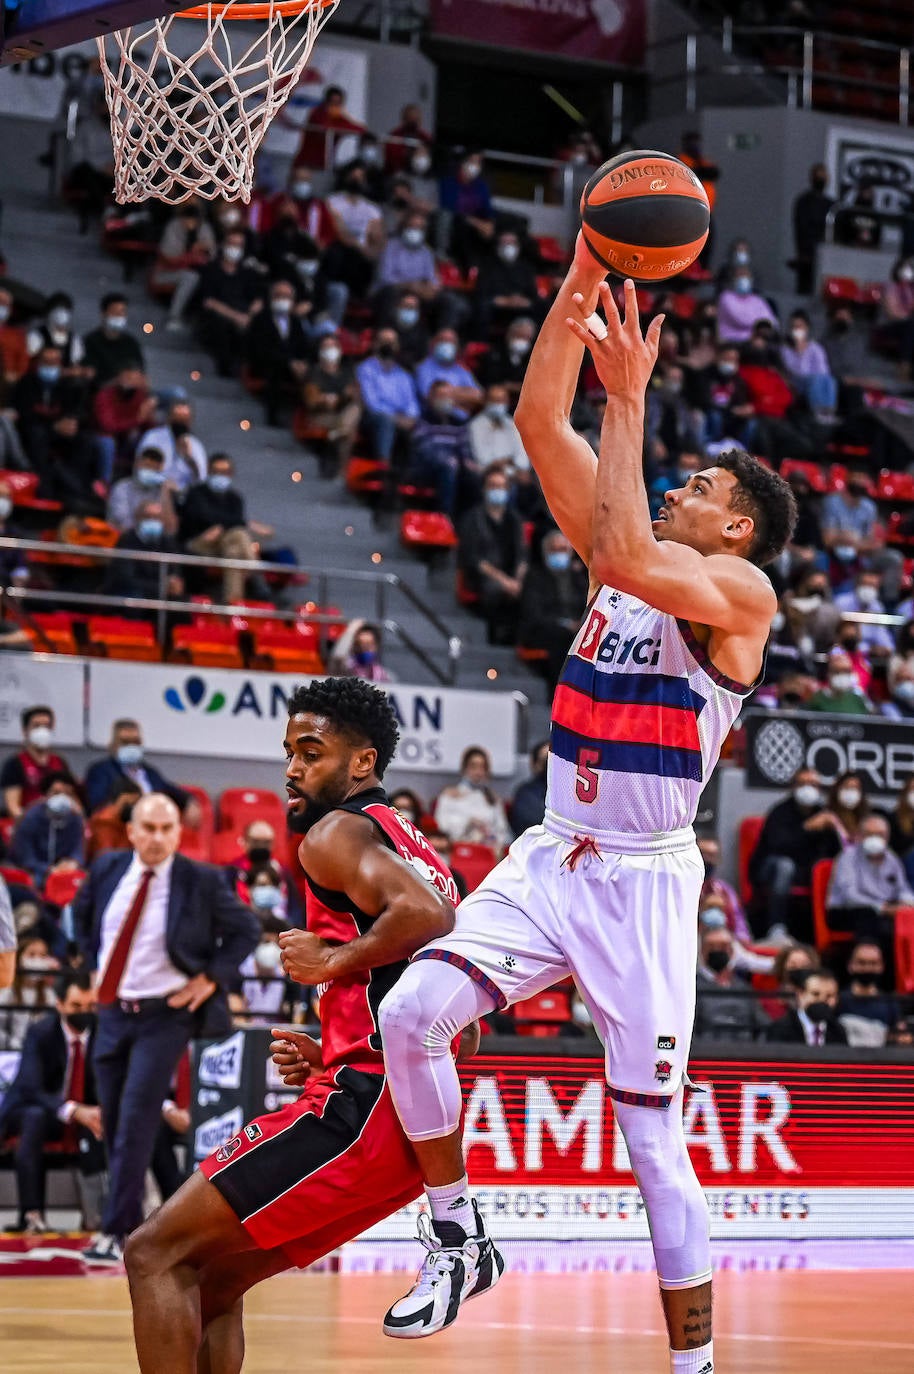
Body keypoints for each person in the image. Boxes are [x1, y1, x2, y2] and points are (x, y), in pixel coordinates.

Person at [375, 240, 797, 1365]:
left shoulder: (738, 595)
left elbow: (616, 535)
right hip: (550, 853)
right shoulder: (633, 557)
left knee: (651, 1143)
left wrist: (630, 401)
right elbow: (531, 417)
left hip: (643, 881)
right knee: (409, 1015)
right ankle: (457, 1236)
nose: (678, 486)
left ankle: (694, 1366)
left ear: (738, 527)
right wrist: (581, 272)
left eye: (701, 487)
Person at [120, 679, 485, 1372]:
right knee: (213, 1278)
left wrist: (330, 963)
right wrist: (336, 1043)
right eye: (288, 751)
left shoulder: (335, 832)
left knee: (152, 1252)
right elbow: (458, 1022)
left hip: (363, 1113)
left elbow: (425, 920)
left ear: (361, 763)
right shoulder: (415, 846)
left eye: (310, 753)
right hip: (406, 1119)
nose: (291, 768)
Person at [72, 793, 258, 1263]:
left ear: (179, 832)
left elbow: (246, 930)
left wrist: (208, 979)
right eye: (148, 828)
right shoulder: (108, 869)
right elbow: (81, 918)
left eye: (167, 828)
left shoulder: (201, 879)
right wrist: (89, 966)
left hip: (164, 1015)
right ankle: (130, 1218)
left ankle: (118, 1232)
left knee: (136, 1117)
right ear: (131, 830)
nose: (157, 837)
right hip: (113, 1012)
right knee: (114, 1121)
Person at [0, 967, 105, 1233]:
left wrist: (97, 1110)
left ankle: (104, 1218)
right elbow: (29, 1087)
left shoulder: (104, 1033)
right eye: (76, 1005)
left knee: (108, 1120)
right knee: (34, 1117)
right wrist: (72, 1109)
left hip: (83, 1113)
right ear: (59, 1004)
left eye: (91, 1004)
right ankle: (31, 1216)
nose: (84, 1011)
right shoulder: (41, 1032)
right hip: (30, 1110)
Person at [749, 765, 844, 941]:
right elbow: (777, 846)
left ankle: (825, 930)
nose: (809, 789)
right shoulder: (780, 812)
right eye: (804, 783)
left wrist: (832, 829)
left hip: (806, 873)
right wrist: (807, 828)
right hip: (769, 870)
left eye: (814, 784)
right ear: (794, 787)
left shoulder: (823, 813)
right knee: (785, 866)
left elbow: (836, 852)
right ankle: (776, 928)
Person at [179, 453, 274, 605]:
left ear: (231, 474)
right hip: (199, 543)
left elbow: (234, 521)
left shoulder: (235, 498)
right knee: (238, 534)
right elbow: (204, 517)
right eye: (216, 471)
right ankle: (255, 571)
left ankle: (232, 604)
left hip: (225, 546)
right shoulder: (196, 493)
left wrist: (222, 526)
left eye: (224, 472)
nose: (220, 475)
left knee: (234, 552)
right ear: (209, 472)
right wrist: (239, 523)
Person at [826, 812, 914, 951]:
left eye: (880, 834)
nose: (875, 839)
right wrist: (883, 908)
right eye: (869, 834)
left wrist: (907, 904)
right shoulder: (848, 857)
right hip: (847, 911)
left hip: (884, 911)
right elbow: (849, 896)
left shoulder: (892, 859)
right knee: (872, 920)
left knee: (902, 921)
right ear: (860, 835)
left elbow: (903, 889)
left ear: (887, 837)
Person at [457, 468, 527, 643]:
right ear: (484, 489)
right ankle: (496, 638)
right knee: (494, 589)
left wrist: (517, 581)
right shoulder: (472, 519)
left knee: (533, 592)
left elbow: (522, 555)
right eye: (493, 485)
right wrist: (504, 581)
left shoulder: (515, 519)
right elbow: (474, 559)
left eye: (502, 486)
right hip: (483, 576)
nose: (498, 490)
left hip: (512, 577)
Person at [517, 529, 590, 689]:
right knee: (563, 637)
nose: (559, 554)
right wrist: (564, 623)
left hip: (576, 629)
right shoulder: (534, 577)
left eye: (563, 550)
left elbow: (588, 605)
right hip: (541, 630)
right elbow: (533, 614)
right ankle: (559, 690)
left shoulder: (578, 579)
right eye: (554, 550)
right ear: (546, 552)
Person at [83, 718, 193, 816]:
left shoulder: (150, 772)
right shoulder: (101, 771)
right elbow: (97, 807)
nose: (132, 747)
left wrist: (189, 802)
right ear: (113, 745)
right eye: (125, 743)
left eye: (136, 742)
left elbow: (173, 791)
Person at [355, 329, 420, 464]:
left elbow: (412, 403)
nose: (388, 345)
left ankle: (416, 473)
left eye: (391, 342)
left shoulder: (403, 375)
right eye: (384, 341)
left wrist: (410, 417)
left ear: (397, 346)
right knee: (386, 421)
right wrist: (396, 418)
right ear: (375, 344)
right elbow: (371, 403)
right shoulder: (365, 369)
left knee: (423, 425)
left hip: (403, 418)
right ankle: (383, 466)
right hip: (372, 418)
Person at [693, 926, 769, 1042]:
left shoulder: (744, 989)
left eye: (723, 946)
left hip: (745, 1054)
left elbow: (763, 1026)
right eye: (712, 946)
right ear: (702, 950)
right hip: (705, 1054)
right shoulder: (692, 988)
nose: (717, 950)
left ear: (732, 951)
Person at [10, 772, 85, 888]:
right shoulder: (30, 817)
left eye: (67, 794)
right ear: (45, 795)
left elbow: (78, 850)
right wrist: (49, 869)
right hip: (35, 871)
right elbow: (25, 857)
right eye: (56, 793)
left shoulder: (75, 818)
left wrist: (72, 863)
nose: (62, 798)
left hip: (64, 872)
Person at [1, 706, 75, 820]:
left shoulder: (60, 762)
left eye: (47, 726)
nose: (42, 730)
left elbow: (71, 798)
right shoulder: (15, 764)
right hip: (28, 825)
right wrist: (33, 825)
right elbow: (13, 807)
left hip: (58, 823)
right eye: (36, 726)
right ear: (25, 731)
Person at [434, 745, 510, 852]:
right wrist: (467, 822)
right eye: (473, 767)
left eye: (482, 767)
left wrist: (490, 837)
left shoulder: (493, 799)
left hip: (486, 853)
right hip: (456, 851)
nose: (478, 772)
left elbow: (503, 832)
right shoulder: (450, 795)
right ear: (464, 768)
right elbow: (441, 826)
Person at [138, 400, 207, 493]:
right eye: (177, 419)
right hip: (153, 489)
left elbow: (201, 479)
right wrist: (165, 483)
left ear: (190, 422)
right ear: (169, 418)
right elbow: (142, 469)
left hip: (182, 496)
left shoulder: (196, 445)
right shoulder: (153, 436)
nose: (180, 423)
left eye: (184, 420)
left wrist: (189, 458)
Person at [107, 447, 178, 536]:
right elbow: (121, 521)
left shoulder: (162, 491)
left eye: (154, 468)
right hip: (123, 537)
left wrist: (166, 492)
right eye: (147, 466)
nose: (150, 470)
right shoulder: (122, 487)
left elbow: (170, 529)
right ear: (137, 463)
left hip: (153, 541)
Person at [764, 968, 847, 1045]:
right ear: (801, 995)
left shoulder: (838, 1030)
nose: (821, 1000)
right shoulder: (780, 1028)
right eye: (815, 994)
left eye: (829, 996)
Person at [82, 294, 145, 387]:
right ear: (103, 314)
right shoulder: (90, 341)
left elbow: (141, 373)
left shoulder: (131, 343)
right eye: (115, 313)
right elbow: (89, 374)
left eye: (122, 313)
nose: (119, 317)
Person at [792, 162, 833, 295]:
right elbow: (801, 229)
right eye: (818, 176)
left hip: (827, 257)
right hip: (807, 256)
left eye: (823, 176)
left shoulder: (831, 205)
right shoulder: (803, 201)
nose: (821, 180)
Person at [837, 940, 899, 1030]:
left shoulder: (890, 1003)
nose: (867, 968)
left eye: (873, 963)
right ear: (850, 965)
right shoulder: (838, 1001)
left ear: (881, 966)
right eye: (862, 962)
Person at [508, 740, 550, 837]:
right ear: (534, 764)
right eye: (545, 761)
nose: (549, 766)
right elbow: (536, 823)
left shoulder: (568, 793)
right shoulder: (525, 793)